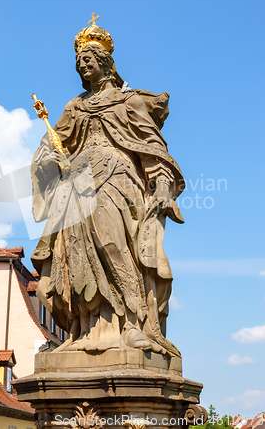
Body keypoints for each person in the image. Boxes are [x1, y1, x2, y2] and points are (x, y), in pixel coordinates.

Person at [31, 19, 185, 356]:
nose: (83, 64)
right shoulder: (75, 106)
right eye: (79, 61)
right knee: (73, 253)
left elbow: (153, 147)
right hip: (79, 181)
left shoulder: (128, 102)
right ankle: (84, 330)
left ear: (106, 63)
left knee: (112, 241)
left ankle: (132, 323)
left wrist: (161, 185)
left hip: (116, 176)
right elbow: (56, 145)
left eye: (89, 59)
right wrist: (51, 157)